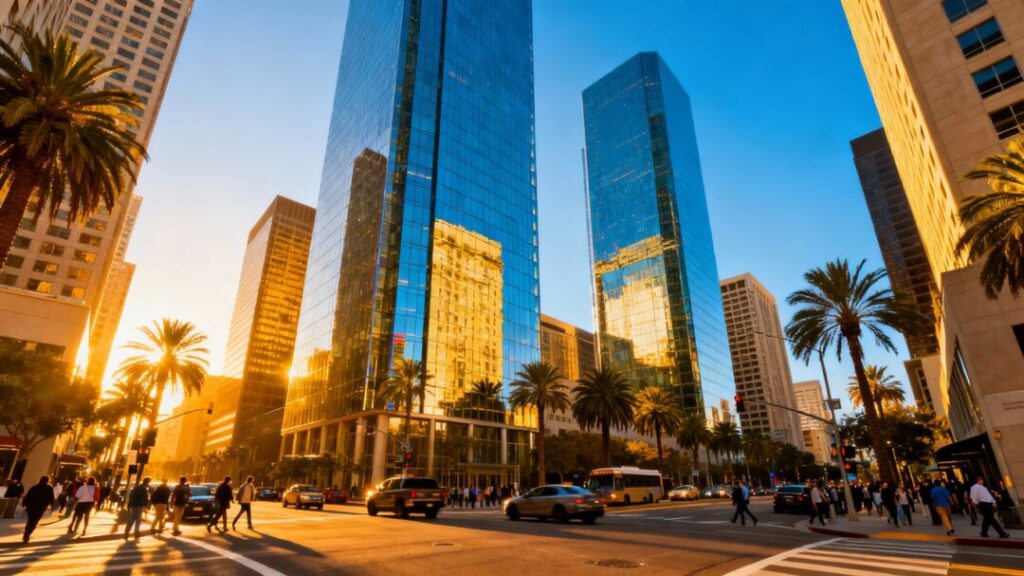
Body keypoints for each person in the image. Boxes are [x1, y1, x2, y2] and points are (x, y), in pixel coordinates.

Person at [21, 476, 55, 543]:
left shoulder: (35, 487)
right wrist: (51, 506)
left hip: (31, 507)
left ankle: (26, 534)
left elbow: (28, 495)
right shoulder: (49, 488)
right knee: (34, 521)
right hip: (41, 508)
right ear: (48, 481)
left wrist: (24, 503)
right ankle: (27, 535)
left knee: (30, 520)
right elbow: (51, 498)